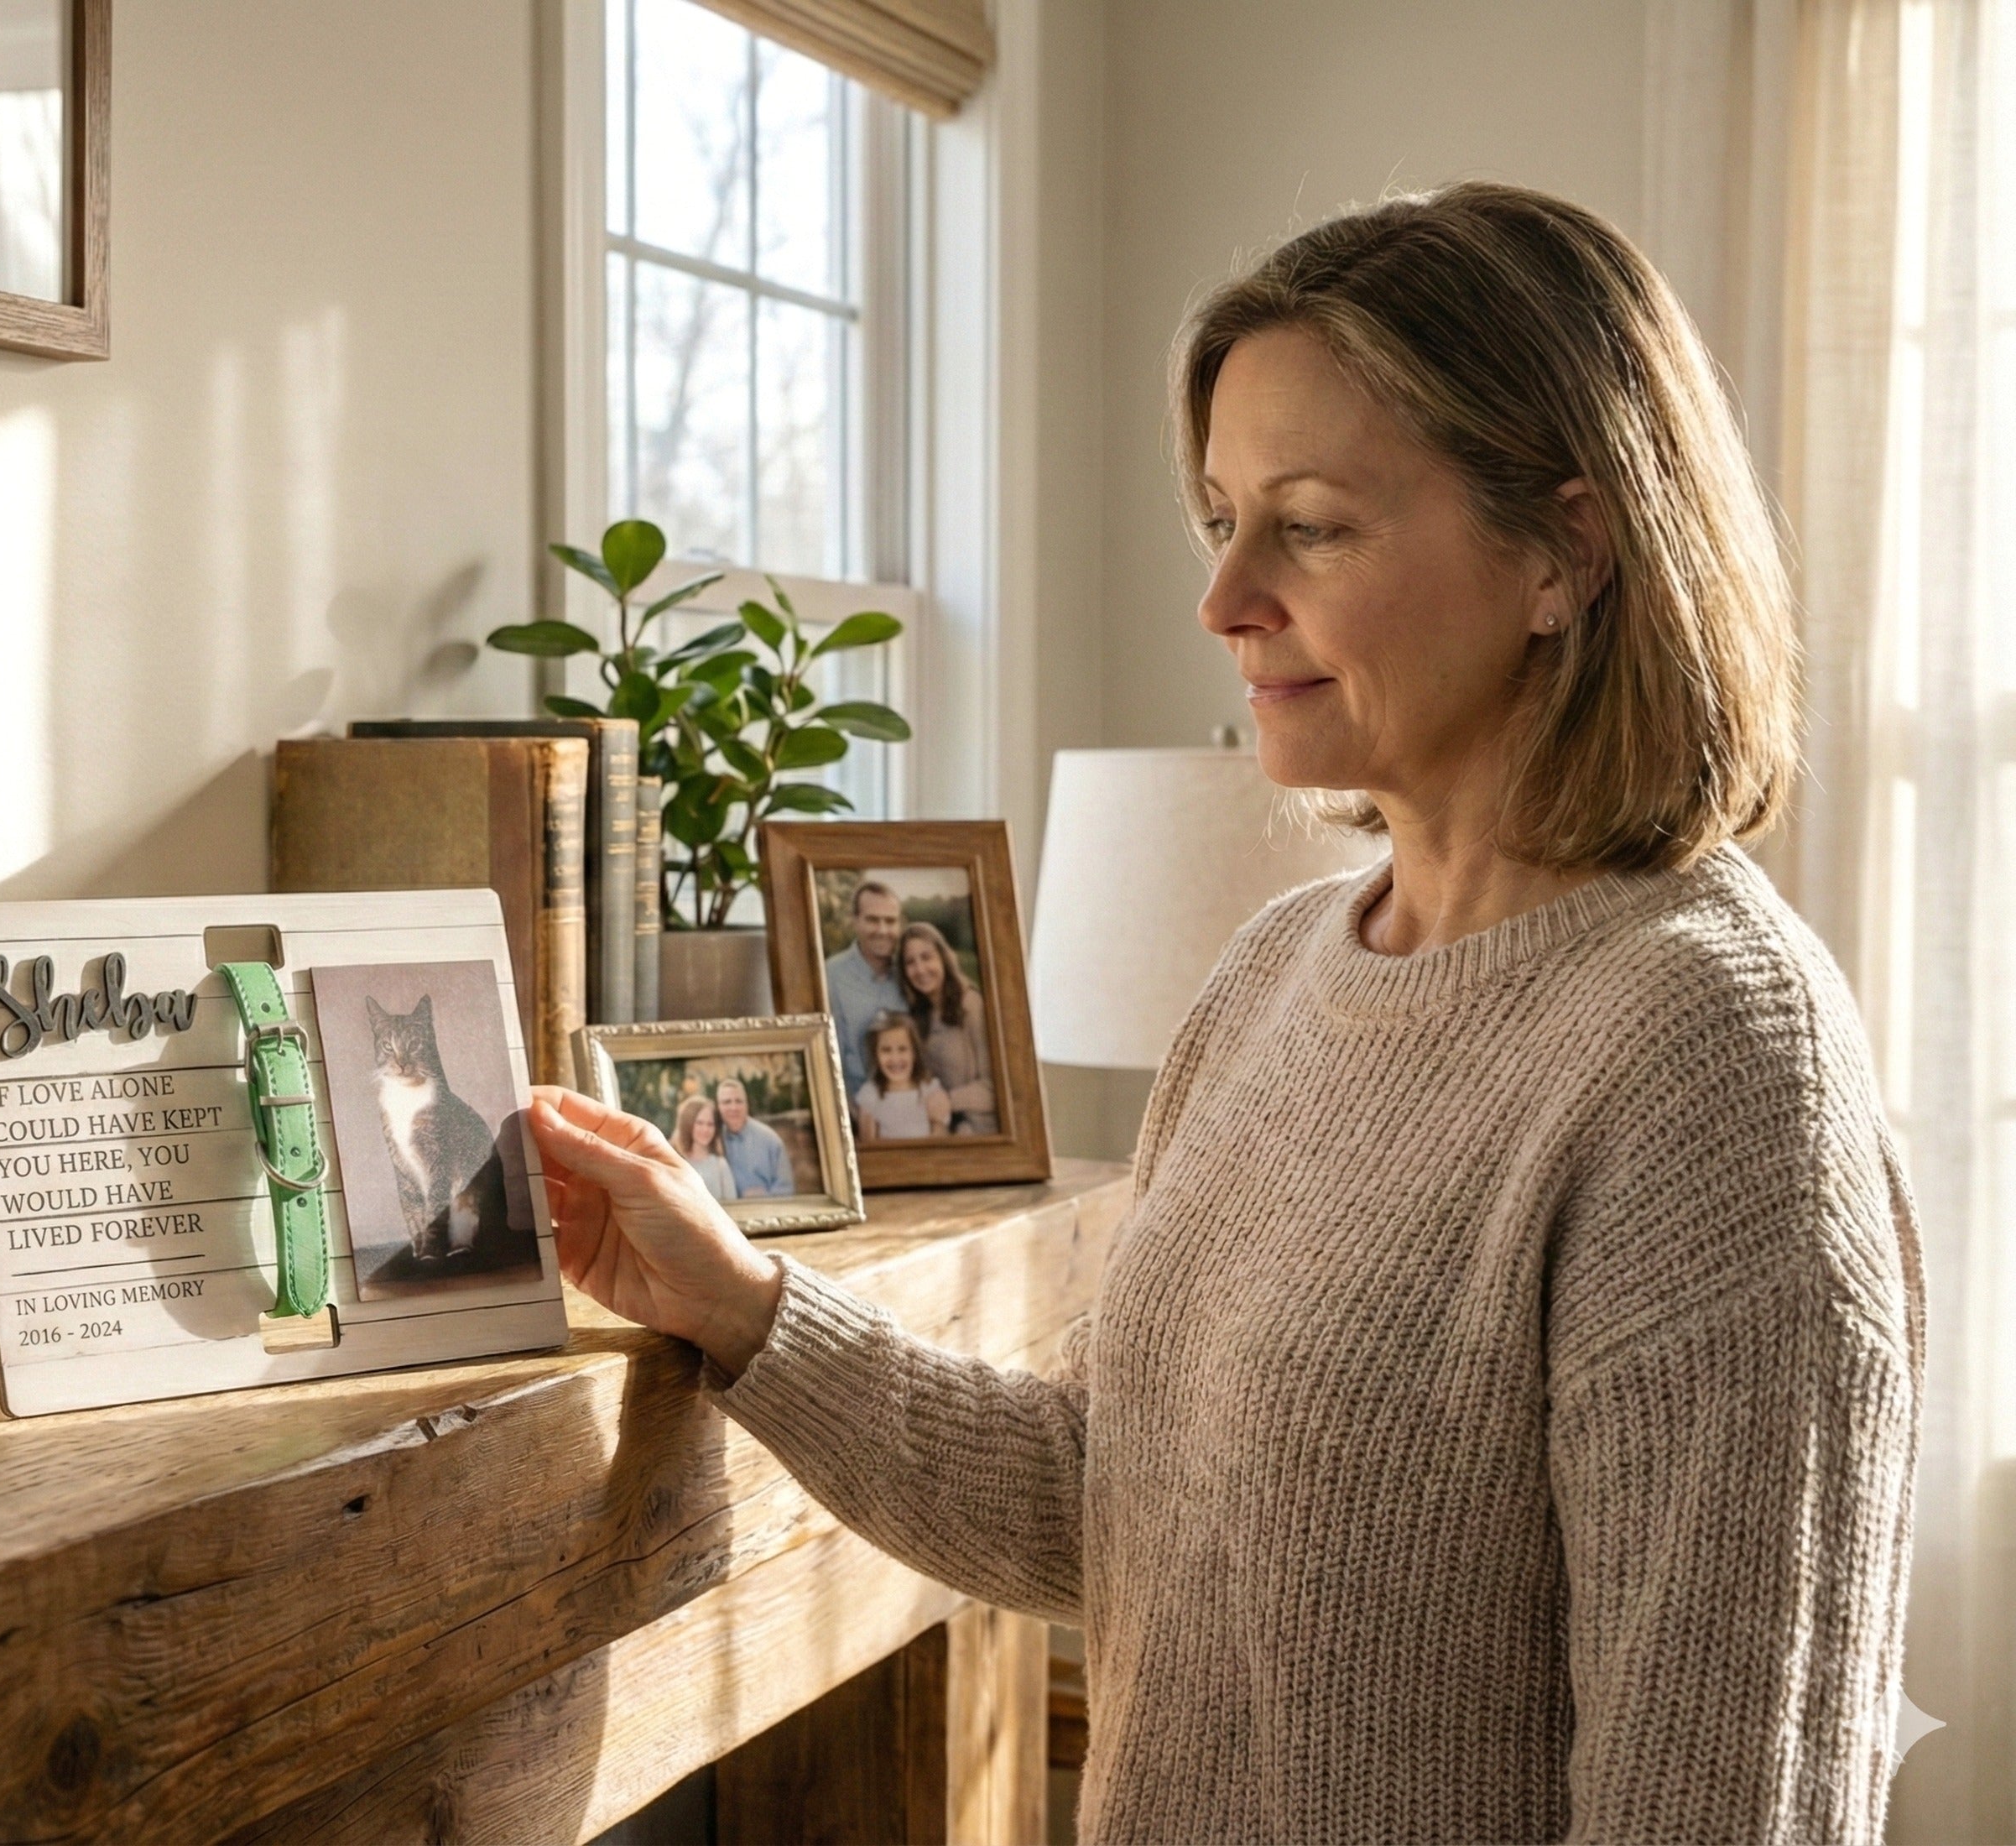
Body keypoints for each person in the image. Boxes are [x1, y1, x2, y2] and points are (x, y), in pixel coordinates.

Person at [524, 183, 1922, 1844]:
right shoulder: (1275, 972)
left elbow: (1725, 1813)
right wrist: (737, 1299)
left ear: (1563, 549)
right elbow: (1111, 1503)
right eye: (1217, 517)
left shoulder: (1710, 1059)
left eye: (1310, 523)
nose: (1224, 598)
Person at [899, 920, 995, 1134]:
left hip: (976, 1129)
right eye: (910, 962)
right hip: (938, 1125)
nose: (920, 969)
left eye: (926, 957)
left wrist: (948, 1101)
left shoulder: (971, 1005)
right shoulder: (918, 1016)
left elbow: (996, 1088)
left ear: (943, 957)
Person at [820, 881, 908, 1087]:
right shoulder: (830, 975)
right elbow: (829, 1063)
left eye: (890, 921)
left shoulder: (909, 974)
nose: (882, 930)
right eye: (872, 920)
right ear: (855, 921)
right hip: (855, 1105)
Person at [852, 1012, 951, 1141]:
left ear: (914, 1053)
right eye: (886, 1050)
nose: (895, 1059)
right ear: (876, 1055)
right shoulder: (870, 1095)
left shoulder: (929, 1090)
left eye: (902, 1049)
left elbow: (941, 1137)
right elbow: (869, 1146)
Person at [712, 1077, 793, 1197]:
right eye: (727, 1102)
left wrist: (764, 1197)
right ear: (718, 1107)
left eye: (739, 1101)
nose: (734, 1108)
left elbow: (787, 1190)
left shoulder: (770, 1140)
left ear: (747, 1104)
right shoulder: (712, 1137)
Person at [670, 1093, 737, 1202]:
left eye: (710, 1124)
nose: (705, 1130)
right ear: (688, 1124)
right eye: (700, 1123)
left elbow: (734, 1207)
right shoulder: (675, 1162)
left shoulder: (720, 1165)